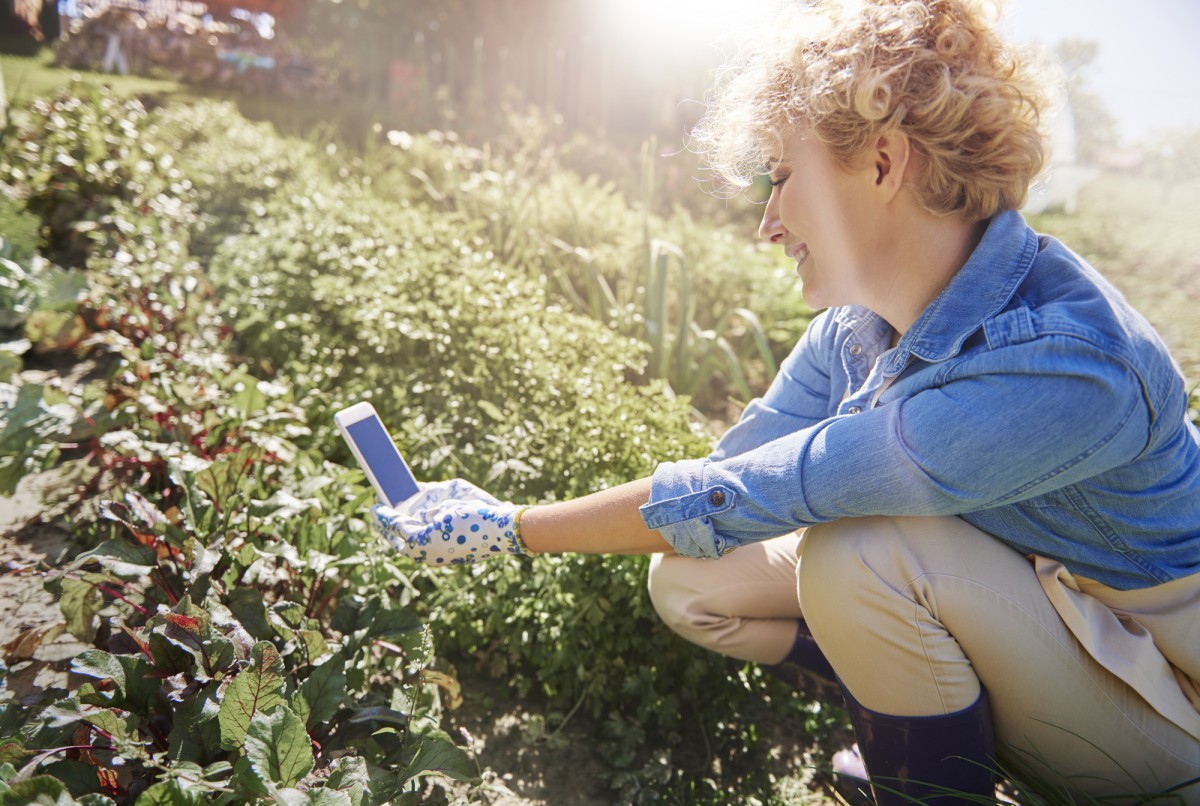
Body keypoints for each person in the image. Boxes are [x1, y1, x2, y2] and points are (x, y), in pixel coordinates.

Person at [370, 0, 1200, 801]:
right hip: (1055, 629)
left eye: (782, 177)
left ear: (882, 162)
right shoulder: (858, 326)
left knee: (859, 555)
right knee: (693, 579)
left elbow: (780, 487)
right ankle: (930, 735)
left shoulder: (1065, 364)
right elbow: (727, 478)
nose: (767, 222)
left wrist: (509, 528)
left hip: (1168, 704)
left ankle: (929, 782)